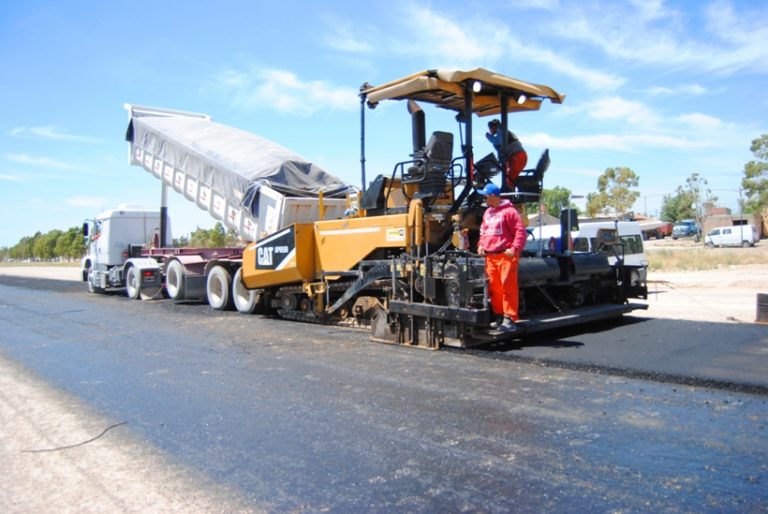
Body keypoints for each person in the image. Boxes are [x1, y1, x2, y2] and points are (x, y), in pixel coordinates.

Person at [476, 182, 527, 333]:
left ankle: (509, 318)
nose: (484, 200)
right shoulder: (488, 213)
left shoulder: (510, 212)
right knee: (494, 288)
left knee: (507, 287)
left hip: (505, 255)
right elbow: (483, 232)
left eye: (485, 197)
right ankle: (499, 316)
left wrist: (514, 248)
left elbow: (520, 232)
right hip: (490, 256)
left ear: (493, 196)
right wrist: (481, 245)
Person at [485, 119, 528, 191]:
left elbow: (497, 141)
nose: (490, 130)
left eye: (490, 128)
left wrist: (488, 136)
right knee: (508, 179)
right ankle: (510, 197)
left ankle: (509, 199)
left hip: (517, 156)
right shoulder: (502, 131)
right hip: (517, 156)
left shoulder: (501, 130)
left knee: (509, 181)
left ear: (494, 127)